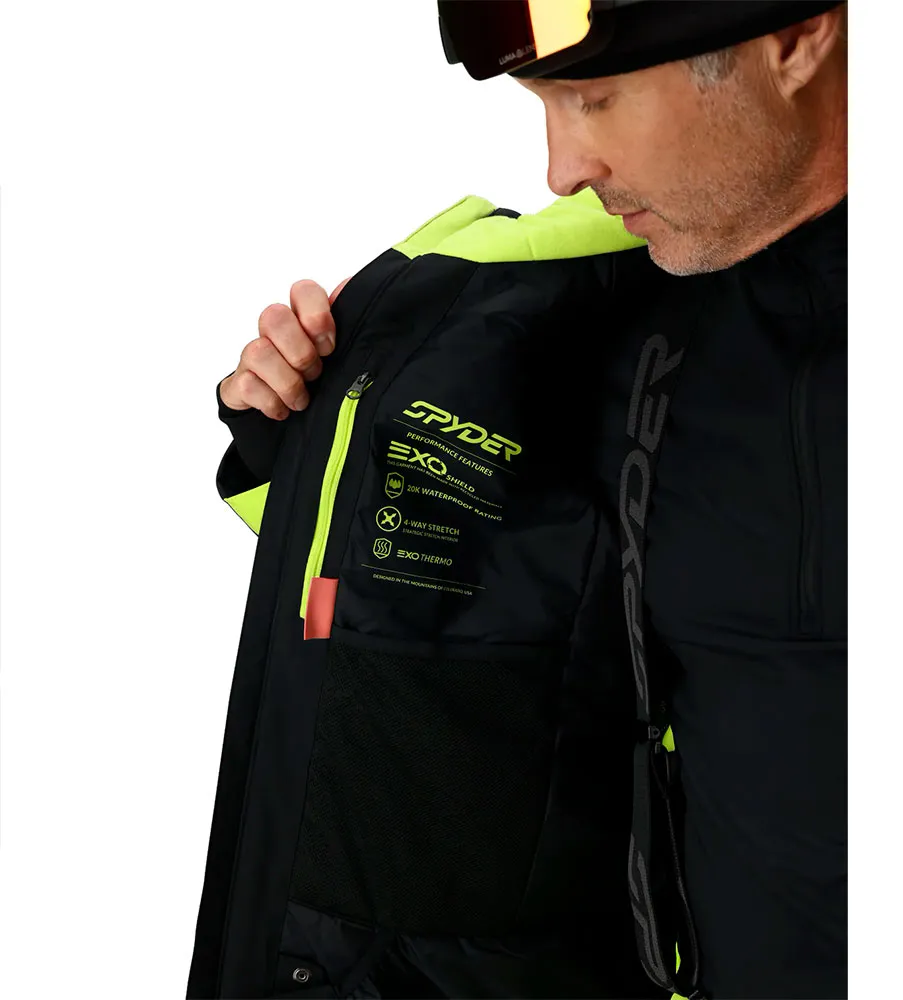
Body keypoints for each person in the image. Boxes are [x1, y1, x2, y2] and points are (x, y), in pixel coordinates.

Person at [206, 2, 846, 997]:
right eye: (543, 107)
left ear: (797, 38)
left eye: (595, 101)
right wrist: (309, 437)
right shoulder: (582, 319)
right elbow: (457, 610)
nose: (560, 170)